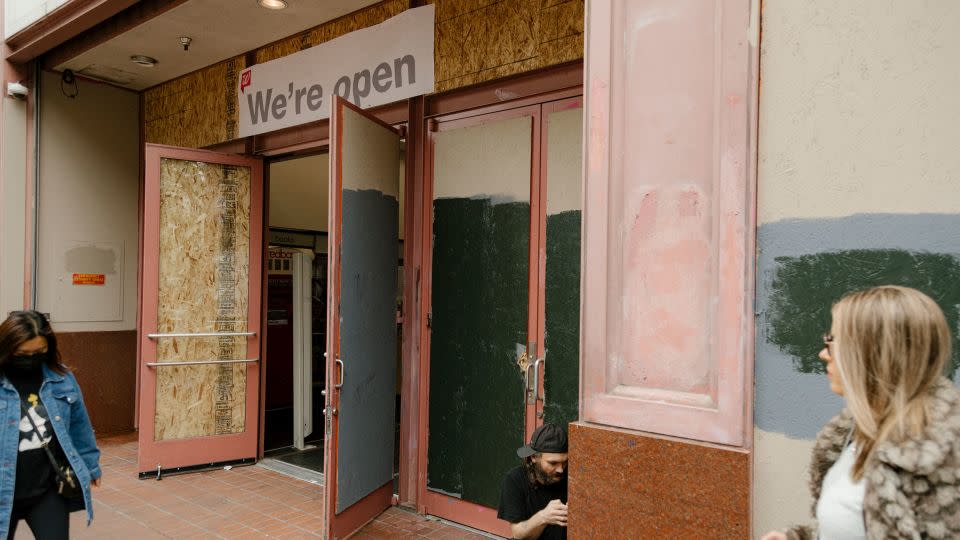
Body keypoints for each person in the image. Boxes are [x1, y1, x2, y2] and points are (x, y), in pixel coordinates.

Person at [762, 286, 960, 540]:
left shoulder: (940, 460)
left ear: (871, 355)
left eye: (832, 342)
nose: (823, 354)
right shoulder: (856, 431)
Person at [0, 311, 102, 539]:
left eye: (39, 353)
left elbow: (79, 425)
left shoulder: (61, 378)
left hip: (46, 489)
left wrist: (90, 465)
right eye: (23, 354)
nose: (31, 360)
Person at [498, 423, 569, 539]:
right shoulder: (515, 479)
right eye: (553, 463)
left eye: (565, 462)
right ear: (534, 457)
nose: (561, 469)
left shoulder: (572, 477)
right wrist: (543, 517)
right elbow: (518, 533)